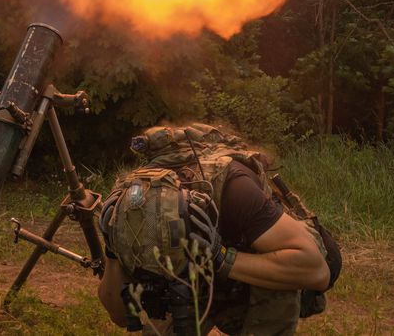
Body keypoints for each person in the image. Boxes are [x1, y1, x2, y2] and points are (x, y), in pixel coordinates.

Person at [97, 124, 337, 336]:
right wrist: (112, 248)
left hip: (245, 281)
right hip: (189, 285)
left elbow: (316, 271)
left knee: (279, 287)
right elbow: (119, 314)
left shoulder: (233, 188)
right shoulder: (129, 209)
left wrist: (220, 257)